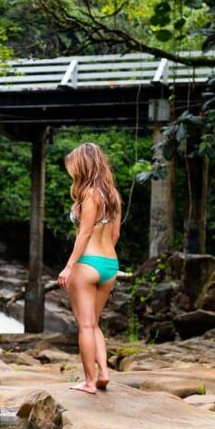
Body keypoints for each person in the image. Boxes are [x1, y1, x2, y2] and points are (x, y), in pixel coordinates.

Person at [58, 142, 121, 394]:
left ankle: (89, 381)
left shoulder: (88, 194)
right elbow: (115, 234)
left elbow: (84, 234)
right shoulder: (113, 195)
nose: (70, 171)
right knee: (94, 323)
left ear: (82, 165)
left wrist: (69, 266)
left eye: (72, 166)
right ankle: (104, 373)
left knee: (84, 325)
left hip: (87, 263)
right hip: (110, 264)